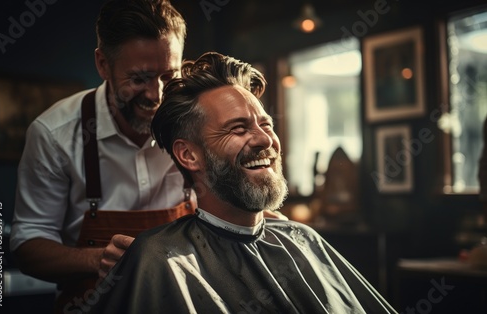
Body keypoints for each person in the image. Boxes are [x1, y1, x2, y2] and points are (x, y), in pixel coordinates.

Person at [89, 52, 397, 313]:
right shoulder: (158, 260)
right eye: (238, 128)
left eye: (266, 124)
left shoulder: (302, 239)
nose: (266, 139)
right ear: (189, 155)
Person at [9, 0, 194, 311]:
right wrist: (96, 259)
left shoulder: (193, 122)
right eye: (139, 78)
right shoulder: (54, 135)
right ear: (103, 64)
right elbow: (27, 247)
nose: (156, 96)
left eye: (167, 77)